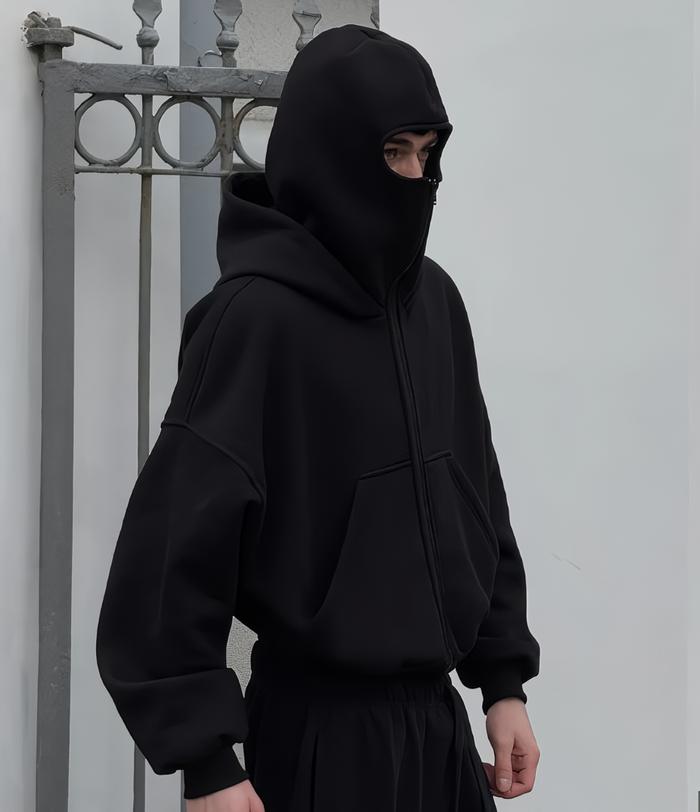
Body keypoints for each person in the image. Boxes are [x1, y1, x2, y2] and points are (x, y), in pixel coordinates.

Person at [96, 23, 541, 812]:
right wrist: (207, 762)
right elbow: (172, 554)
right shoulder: (253, 320)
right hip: (317, 741)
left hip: (437, 734)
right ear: (332, 153)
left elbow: (477, 496)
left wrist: (502, 682)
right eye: (393, 152)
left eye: (427, 153)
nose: (417, 176)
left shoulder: (436, 304)